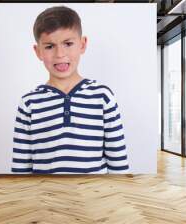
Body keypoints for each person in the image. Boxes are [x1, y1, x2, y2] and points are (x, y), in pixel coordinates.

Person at [12, 6, 129, 174]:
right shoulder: (29, 102)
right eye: (50, 46)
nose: (60, 54)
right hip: (45, 198)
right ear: (38, 52)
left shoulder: (103, 96)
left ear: (82, 45)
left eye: (68, 43)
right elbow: (21, 165)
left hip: (93, 196)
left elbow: (117, 160)